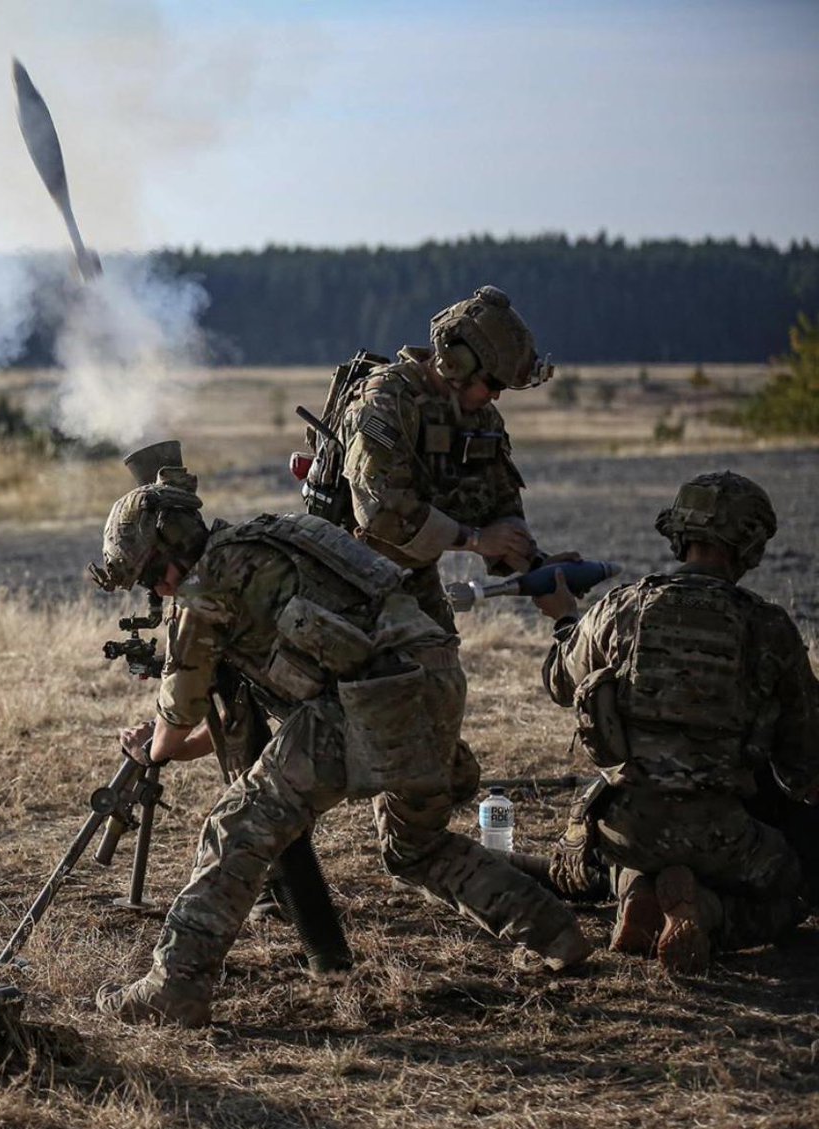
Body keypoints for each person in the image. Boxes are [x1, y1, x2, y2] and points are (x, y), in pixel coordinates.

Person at [87, 452, 591, 1026]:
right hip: (432, 681)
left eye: (153, 576)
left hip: (366, 703)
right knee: (415, 848)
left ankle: (174, 987)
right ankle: (553, 932)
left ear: (170, 547)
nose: (160, 590)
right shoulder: (279, 535)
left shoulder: (205, 593)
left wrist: (151, 746)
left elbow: (175, 726)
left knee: (239, 825)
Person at [535, 471, 818, 974]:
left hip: (622, 827)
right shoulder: (769, 628)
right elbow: (803, 764)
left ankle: (638, 893)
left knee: (618, 860)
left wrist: (565, 621)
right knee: (794, 891)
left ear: (680, 535)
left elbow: (560, 683)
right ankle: (704, 914)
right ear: (750, 546)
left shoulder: (619, 607)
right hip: (723, 832)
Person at [331, 285, 564, 634]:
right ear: (455, 362)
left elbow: (500, 501)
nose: (496, 395)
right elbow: (380, 512)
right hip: (348, 573)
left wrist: (539, 565)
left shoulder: (480, 415)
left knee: (440, 681)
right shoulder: (386, 401)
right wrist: (474, 540)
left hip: (413, 571)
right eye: (491, 382)